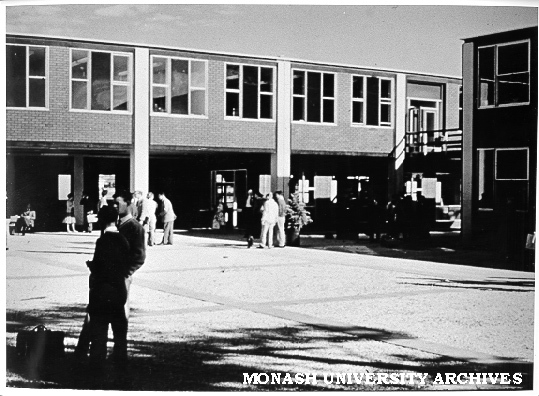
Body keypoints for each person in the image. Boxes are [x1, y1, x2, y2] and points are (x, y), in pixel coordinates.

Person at [85, 205, 130, 369]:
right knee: (119, 333)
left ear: (102, 220)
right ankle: (121, 364)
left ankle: (96, 366)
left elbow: (101, 267)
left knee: (99, 332)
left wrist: (92, 266)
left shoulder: (103, 241)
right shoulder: (123, 240)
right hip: (119, 291)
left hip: (103, 292)